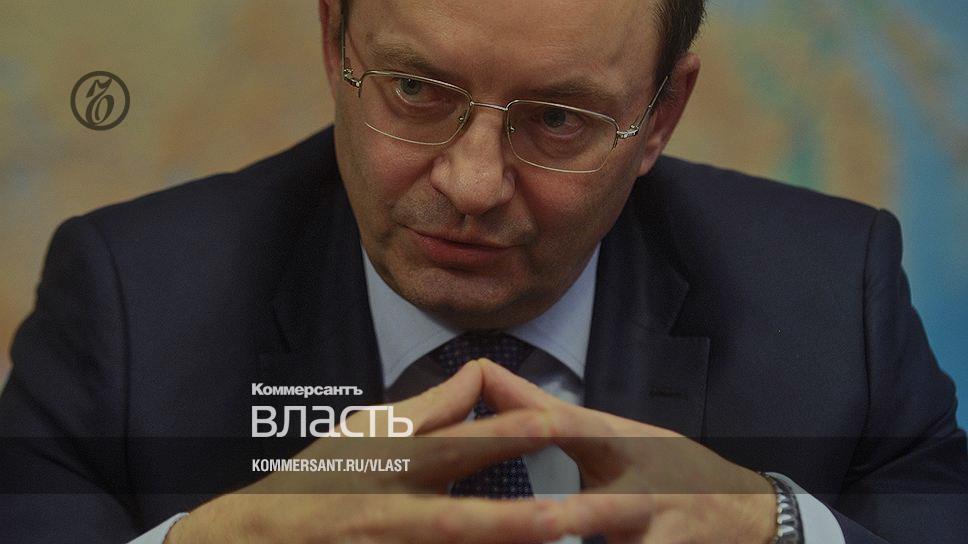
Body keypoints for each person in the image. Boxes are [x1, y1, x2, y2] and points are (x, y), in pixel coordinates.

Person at [1, 0, 966, 542]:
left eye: (558, 119)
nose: (471, 184)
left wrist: (776, 527)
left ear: (660, 118)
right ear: (335, 42)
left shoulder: (834, 292)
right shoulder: (126, 301)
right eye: (416, 91)